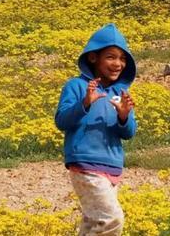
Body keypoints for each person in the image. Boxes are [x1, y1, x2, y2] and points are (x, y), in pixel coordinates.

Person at [55, 23, 137, 236]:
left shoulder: (120, 92)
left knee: (93, 224)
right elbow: (62, 121)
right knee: (111, 220)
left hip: (112, 166)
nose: (118, 63)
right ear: (93, 58)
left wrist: (124, 116)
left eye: (122, 58)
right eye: (110, 57)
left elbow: (128, 133)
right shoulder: (76, 86)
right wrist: (85, 104)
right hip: (85, 165)